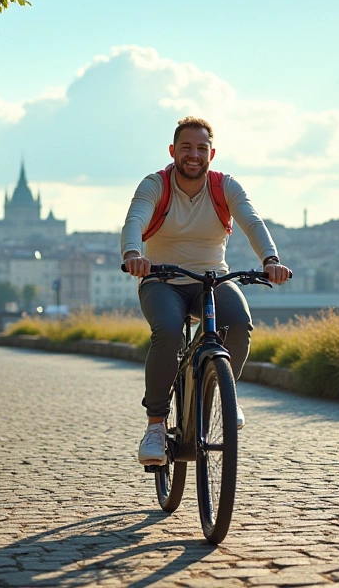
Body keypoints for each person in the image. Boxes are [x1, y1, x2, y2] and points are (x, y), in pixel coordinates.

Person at [121, 116, 292, 465]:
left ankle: (220, 395)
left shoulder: (224, 187)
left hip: (211, 281)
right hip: (162, 281)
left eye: (201, 148)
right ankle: (155, 427)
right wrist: (134, 254)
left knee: (239, 323)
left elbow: (252, 221)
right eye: (186, 147)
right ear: (173, 151)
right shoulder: (155, 184)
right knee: (167, 331)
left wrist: (271, 259)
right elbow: (135, 220)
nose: (193, 155)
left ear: (211, 153)